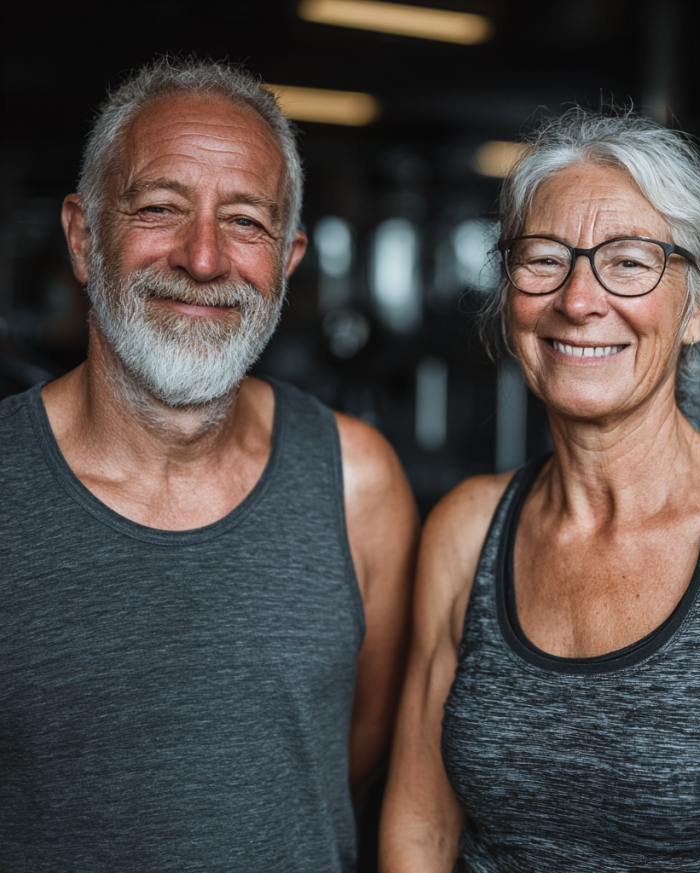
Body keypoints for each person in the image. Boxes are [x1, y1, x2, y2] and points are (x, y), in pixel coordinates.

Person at [380, 109, 700, 872]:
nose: (578, 300)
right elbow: (420, 831)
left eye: (630, 262)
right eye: (543, 258)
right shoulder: (465, 529)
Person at [0, 58, 418, 871]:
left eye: (246, 223)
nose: (202, 258)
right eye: (159, 208)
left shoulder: (357, 480)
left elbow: (344, 757)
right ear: (84, 238)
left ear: (289, 260)